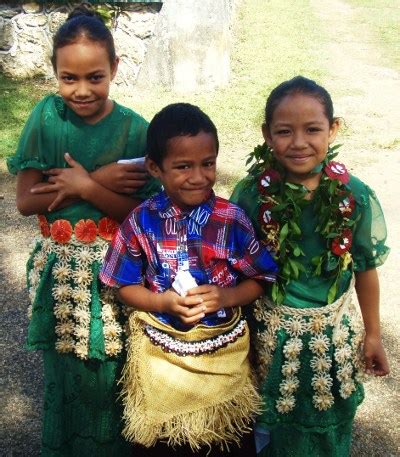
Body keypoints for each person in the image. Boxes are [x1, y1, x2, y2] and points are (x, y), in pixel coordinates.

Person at [7, 5, 159, 456]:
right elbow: (24, 200)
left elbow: (142, 216)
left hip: (118, 274)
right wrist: (91, 184)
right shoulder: (47, 120)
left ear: (114, 68)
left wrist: (88, 184)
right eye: (68, 78)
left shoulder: (136, 130)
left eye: (95, 76)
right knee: (65, 369)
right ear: (54, 72)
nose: (82, 90)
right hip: (63, 276)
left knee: (114, 368)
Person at [99, 103, 279, 456]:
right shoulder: (140, 223)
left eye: (207, 163)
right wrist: (162, 302)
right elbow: (123, 286)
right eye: (183, 167)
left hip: (223, 353)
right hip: (161, 356)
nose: (198, 176)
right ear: (155, 167)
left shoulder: (231, 220)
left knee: (227, 439)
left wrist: (226, 298)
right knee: (163, 442)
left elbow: (262, 277)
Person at [230, 76, 390, 457]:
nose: (299, 143)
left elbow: (366, 268)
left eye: (313, 129)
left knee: (326, 421)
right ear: (267, 135)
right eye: (284, 131)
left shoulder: (355, 196)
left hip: (331, 337)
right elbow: (234, 266)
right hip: (269, 337)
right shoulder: (252, 194)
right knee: (268, 423)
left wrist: (372, 334)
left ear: (333, 129)